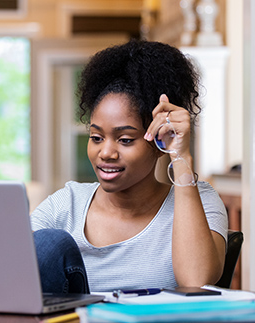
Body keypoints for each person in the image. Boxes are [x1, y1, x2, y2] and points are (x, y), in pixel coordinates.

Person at [30, 39, 228, 294]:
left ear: (158, 142)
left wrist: (180, 156)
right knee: (45, 243)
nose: (106, 153)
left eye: (125, 140)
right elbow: (9, 267)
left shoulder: (200, 201)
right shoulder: (66, 206)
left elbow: (195, 282)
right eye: (96, 137)